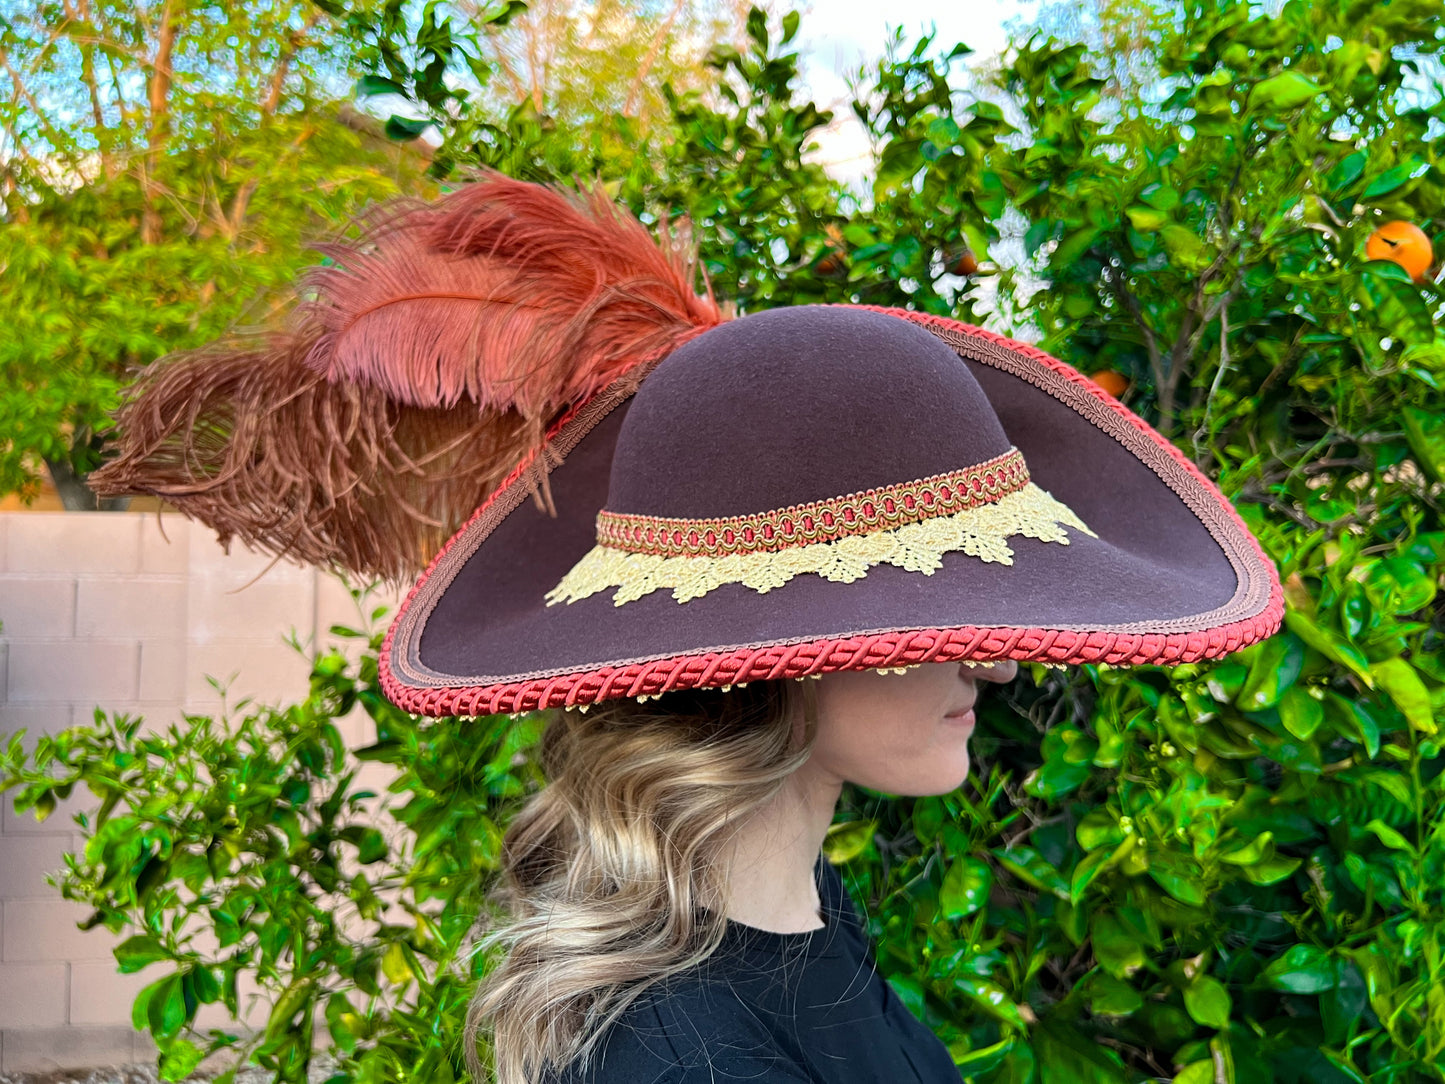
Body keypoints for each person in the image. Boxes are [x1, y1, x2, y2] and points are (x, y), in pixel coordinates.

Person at [90, 173, 1283, 1083]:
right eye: (946, 603)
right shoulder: (684, 1054)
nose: (1002, 652)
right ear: (789, 643)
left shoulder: (798, 915)